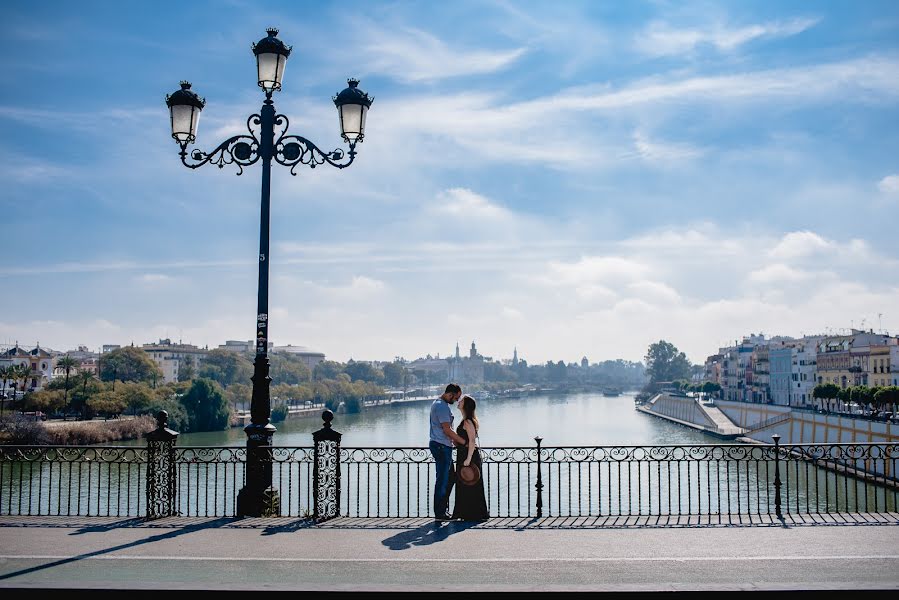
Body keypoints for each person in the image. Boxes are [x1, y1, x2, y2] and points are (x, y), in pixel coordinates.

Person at [429, 383, 466, 521]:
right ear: (450, 394)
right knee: (443, 480)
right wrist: (463, 442)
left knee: (450, 478)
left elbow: (447, 430)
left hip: (442, 445)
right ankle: (440, 514)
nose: (456, 400)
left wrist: (454, 442)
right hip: (441, 446)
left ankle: (442, 510)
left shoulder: (438, 404)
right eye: (456, 397)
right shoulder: (441, 406)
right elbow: (447, 430)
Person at [452, 394, 489, 521]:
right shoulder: (465, 420)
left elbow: (472, 441)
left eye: (461, 401)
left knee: (470, 482)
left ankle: (473, 514)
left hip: (469, 456)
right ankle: (467, 514)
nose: (458, 401)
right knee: (465, 483)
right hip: (464, 454)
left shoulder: (468, 421)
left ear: (465, 405)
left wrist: (468, 459)